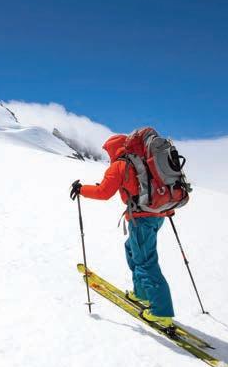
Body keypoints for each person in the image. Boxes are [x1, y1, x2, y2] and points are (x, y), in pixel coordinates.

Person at [70, 134, 175, 328]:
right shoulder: (138, 161)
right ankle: (142, 293)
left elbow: (103, 192)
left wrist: (81, 190)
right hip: (155, 215)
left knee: (145, 262)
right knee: (132, 250)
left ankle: (161, 312)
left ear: (112, 149)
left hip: (142, 219)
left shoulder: (120, 165)